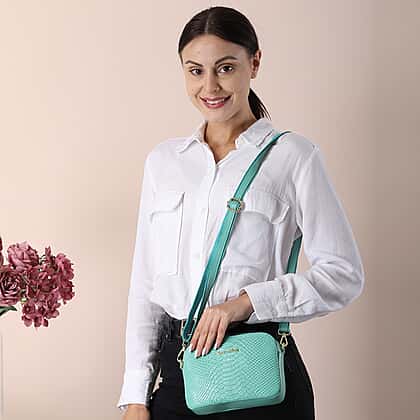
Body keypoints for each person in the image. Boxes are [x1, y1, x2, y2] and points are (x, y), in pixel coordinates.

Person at [117, 6, 365, 420]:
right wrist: (136, 395)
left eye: (226, 68)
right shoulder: (164, 162)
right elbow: (145, 286)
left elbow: (344, 274)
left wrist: (247, 302)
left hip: (262, 377)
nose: (210, 86)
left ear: (255, 63)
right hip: (180, 375)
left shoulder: (294, 157)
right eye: (195, 71)